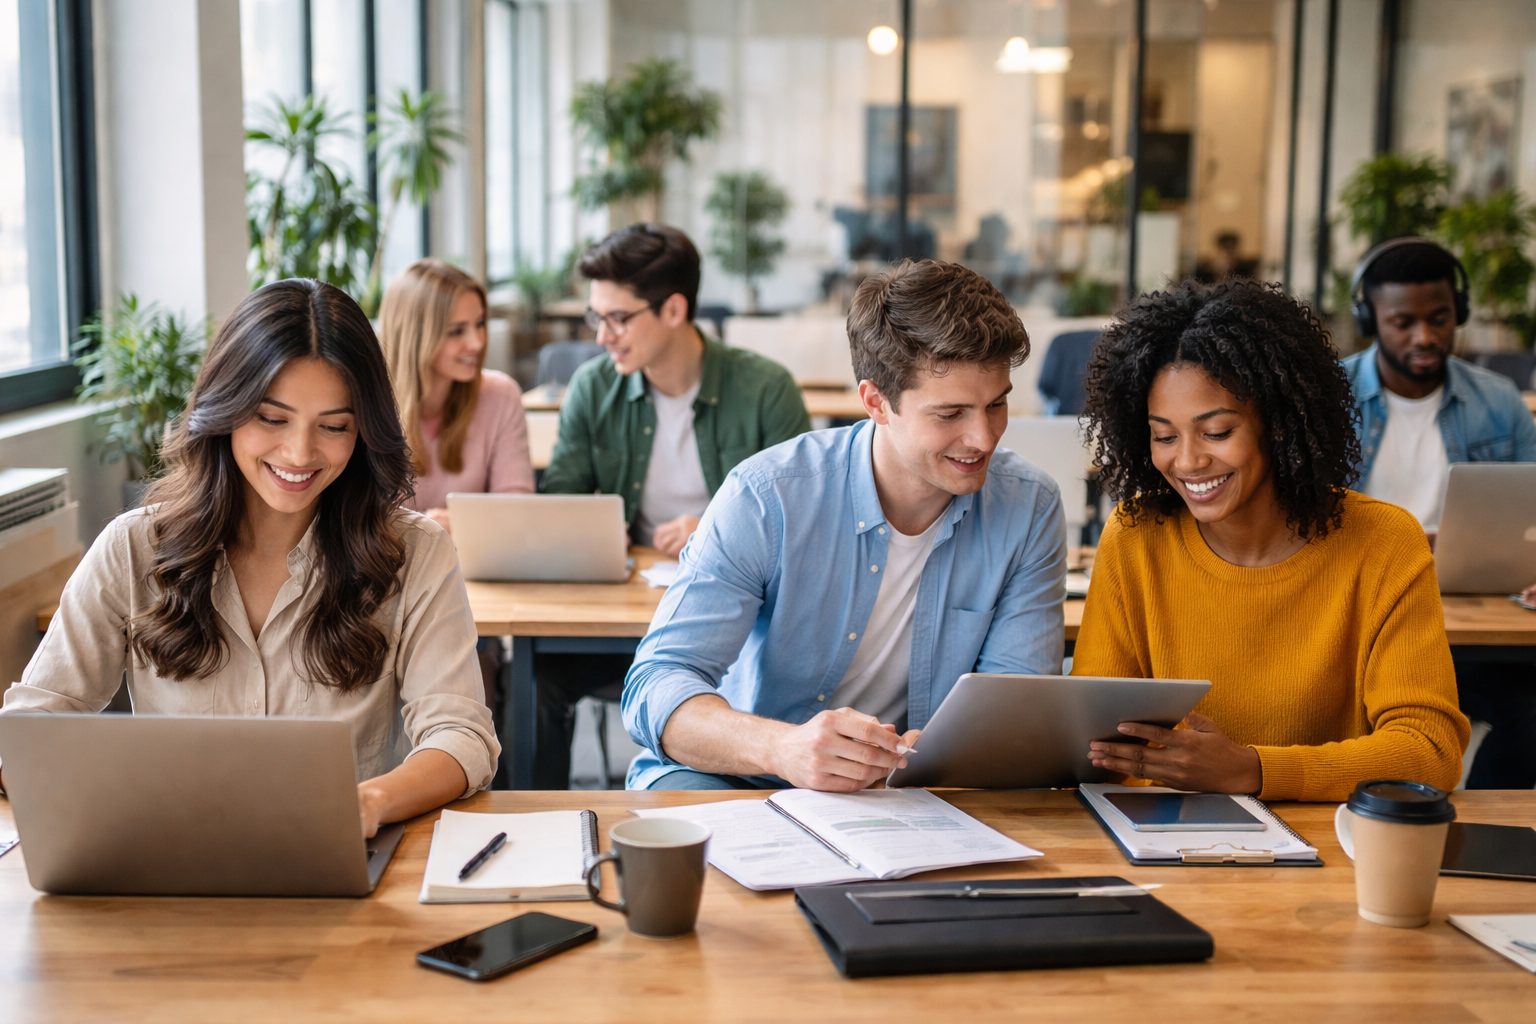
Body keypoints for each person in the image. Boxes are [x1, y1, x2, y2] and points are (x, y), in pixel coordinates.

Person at [0, 280, 499, 834]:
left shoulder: (415, 553)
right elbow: (34, 724)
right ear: (226, 409)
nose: (300, 452)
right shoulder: (133, 547)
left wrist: (368, 802)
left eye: (334, 426)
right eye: (271, 418)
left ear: (363, 432)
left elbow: (462, 737)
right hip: (167, 862)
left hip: (342, 864)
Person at [622, 259, 1067, 791]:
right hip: (749, 779)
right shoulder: (767, 496)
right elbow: (655, 686)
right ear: (876, 402)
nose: (983, 438)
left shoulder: (1029, 506)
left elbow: (1013, 707)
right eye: (950, 415)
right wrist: (781, 748)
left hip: (921, 793)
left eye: (996, 405)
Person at [1073, 277, 1469, 802]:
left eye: (1216, 432)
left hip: (1331, 853)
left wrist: (1252, 770)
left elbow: (1429, 752)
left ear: (1278, 424)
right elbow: (1093, 749)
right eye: (1164, 436)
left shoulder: (1384, 542)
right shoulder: (1135, 536)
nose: (1187, 461)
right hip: (1161, 845)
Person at [532, 223, 811, 788]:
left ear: (675, 309)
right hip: (622, 613)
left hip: (732, 627)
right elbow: (556, 506)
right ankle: (543, 836)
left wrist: (716, 528)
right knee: (538, 680)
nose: (603, 335)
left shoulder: (765, 389)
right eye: (597, 318)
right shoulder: (593, 389)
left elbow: (806, 522)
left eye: (618, 318)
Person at [1342, 237, 1536, 788]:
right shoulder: (1328, 398)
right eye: (1403, 322)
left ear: (1460, 315)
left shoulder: (1499, 401)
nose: (1424, 337)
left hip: (1469, 625)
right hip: (1362, 624)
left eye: (1439, 319)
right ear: (1370, 318)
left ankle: (1486, 838)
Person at [378, 258, 534, 529]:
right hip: (389, 570)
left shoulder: (500, 396)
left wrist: (459, 523)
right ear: (415, 337)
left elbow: (518, 510)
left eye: (480, 323)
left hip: (474, 567)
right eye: (456, 331)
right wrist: (432, 529)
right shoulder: (365, 403)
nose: (477, 342)